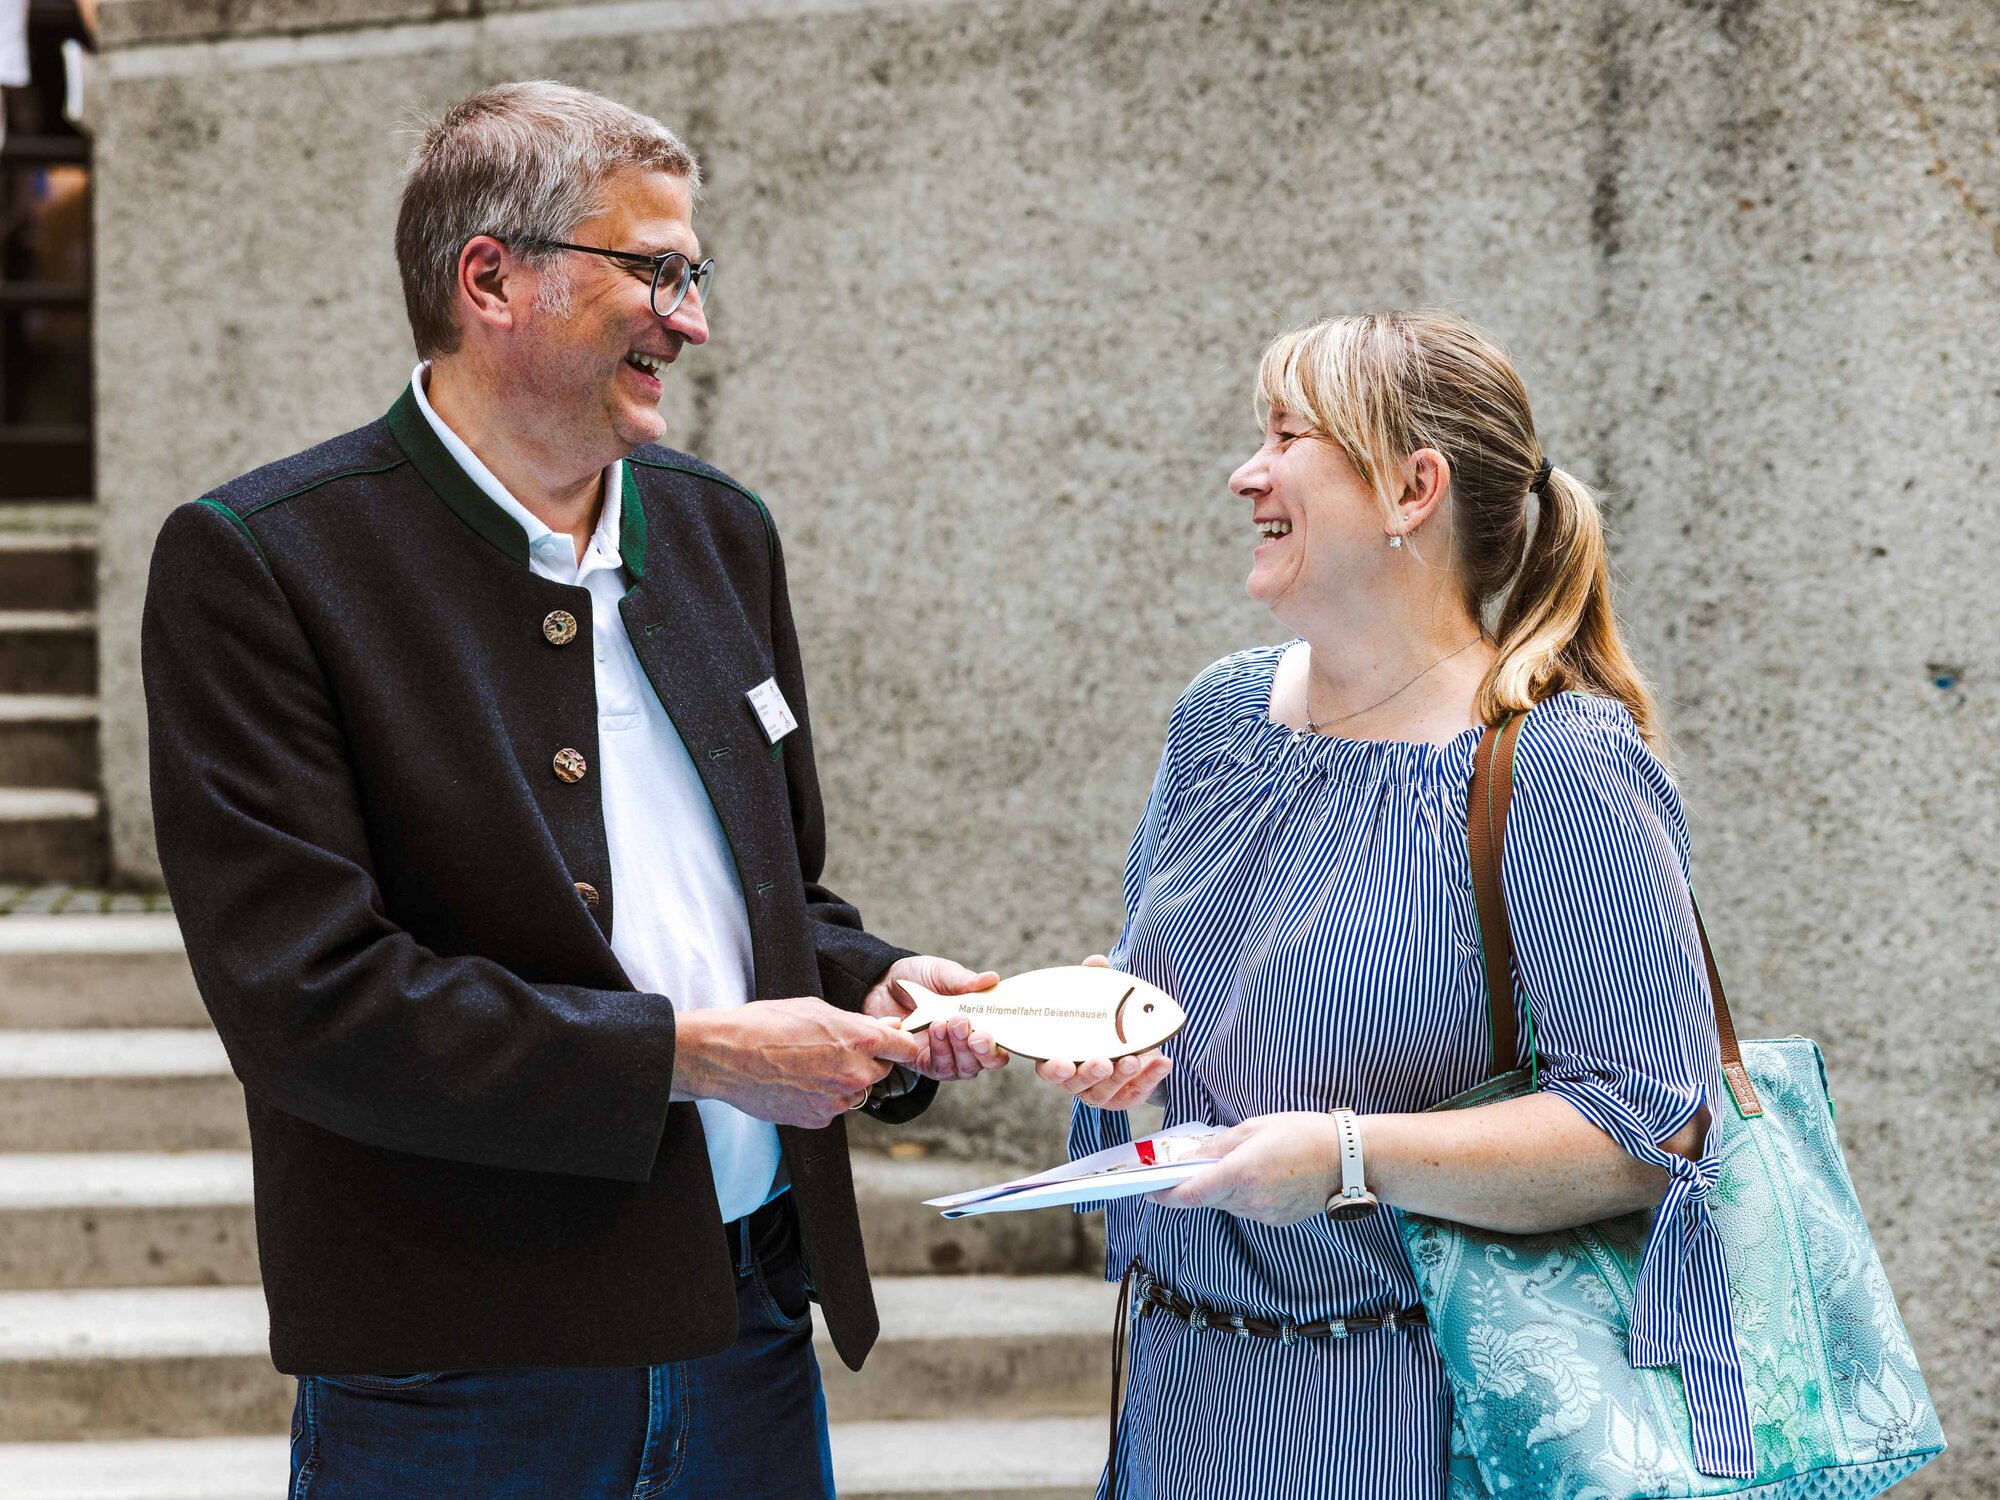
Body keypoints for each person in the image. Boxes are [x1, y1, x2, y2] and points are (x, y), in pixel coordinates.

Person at [141, 81, 1005, 1499]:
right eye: (655, 271)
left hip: (749, 1336)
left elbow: (771, 901)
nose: (694, 319)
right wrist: (701, 1055)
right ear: (492, 278)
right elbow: (309, 1001)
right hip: (461, 1375)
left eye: (694, 271)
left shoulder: (723, 533)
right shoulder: (261, 562)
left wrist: (886, 989)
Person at [1051, 310, 1740, 1499]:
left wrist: (1345, 1157)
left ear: (1409, 489)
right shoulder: (1218, 718)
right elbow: (1163, 994)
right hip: (1182, 1393)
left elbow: (1650, 1130)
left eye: (1285, 436)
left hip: (1421, 1414)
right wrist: (1116, 1053)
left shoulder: (1556, 763)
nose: (1244, 473)